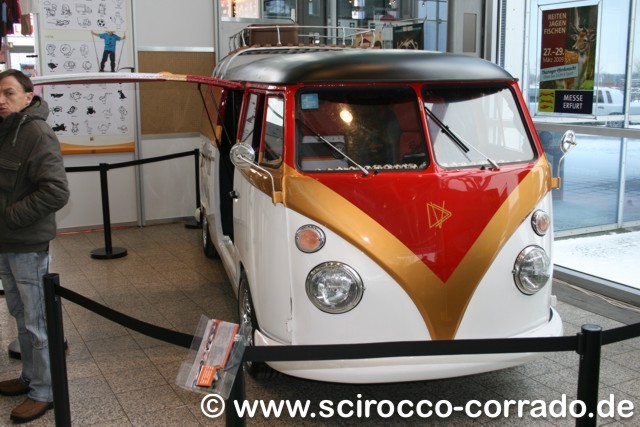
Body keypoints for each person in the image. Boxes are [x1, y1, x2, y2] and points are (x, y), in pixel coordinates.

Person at [0, 69, 69, 423]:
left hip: (27, 243)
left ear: (28, 96)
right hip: (6, 242)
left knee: (37, 320)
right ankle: (30, 377)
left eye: (9, 93)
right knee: (20, 314)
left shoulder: (37, 133)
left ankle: (45, 391)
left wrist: (10, 216)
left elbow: (56, 191)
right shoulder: (6, 131)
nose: (1, 100)